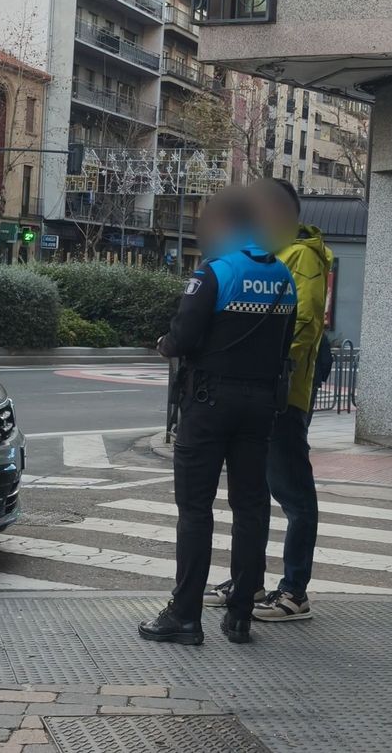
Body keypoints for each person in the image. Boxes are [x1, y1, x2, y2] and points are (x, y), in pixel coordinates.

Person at [139, 187, 297, 646]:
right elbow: (285, 343)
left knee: (195, 510)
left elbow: (183, 336)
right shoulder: (283, 276)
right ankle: (241, 613)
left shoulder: (215, 272)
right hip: (261, 405)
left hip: (208, 404)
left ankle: (185, 615)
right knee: (251, 507)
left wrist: (166, 345)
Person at [205, 179, 333, 622]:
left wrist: (273, 375)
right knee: (254, 491)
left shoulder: (303, 258)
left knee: (293, 492)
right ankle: (248, 580)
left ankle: (295, 591)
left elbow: (304, 326)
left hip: (282, 393)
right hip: (256, 392)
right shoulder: (264, 256)